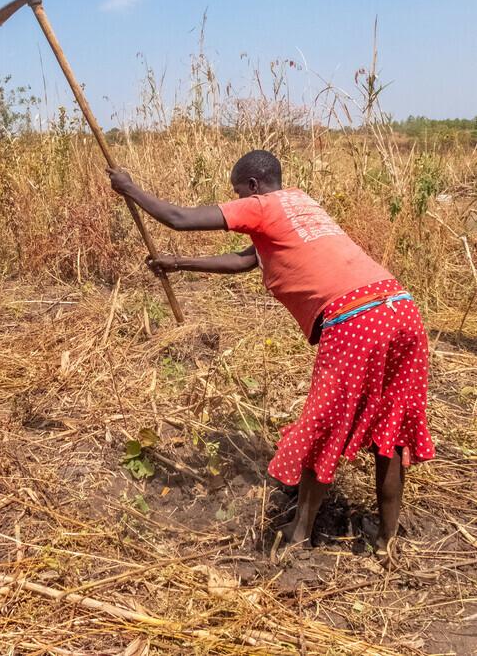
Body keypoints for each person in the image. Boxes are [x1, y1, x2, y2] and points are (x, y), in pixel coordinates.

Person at [107, 150, 435, 561]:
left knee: (323, 429)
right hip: (401, 307)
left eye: (237, 192)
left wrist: (130, 188)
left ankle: (299, 534)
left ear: (253, 187)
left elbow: (180, 218)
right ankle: (388, 542)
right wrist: (178, 263)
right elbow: (247, 259)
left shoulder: (261, 205)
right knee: (391, 429)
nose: (238, 199)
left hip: (355, 319)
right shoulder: (303, 205)